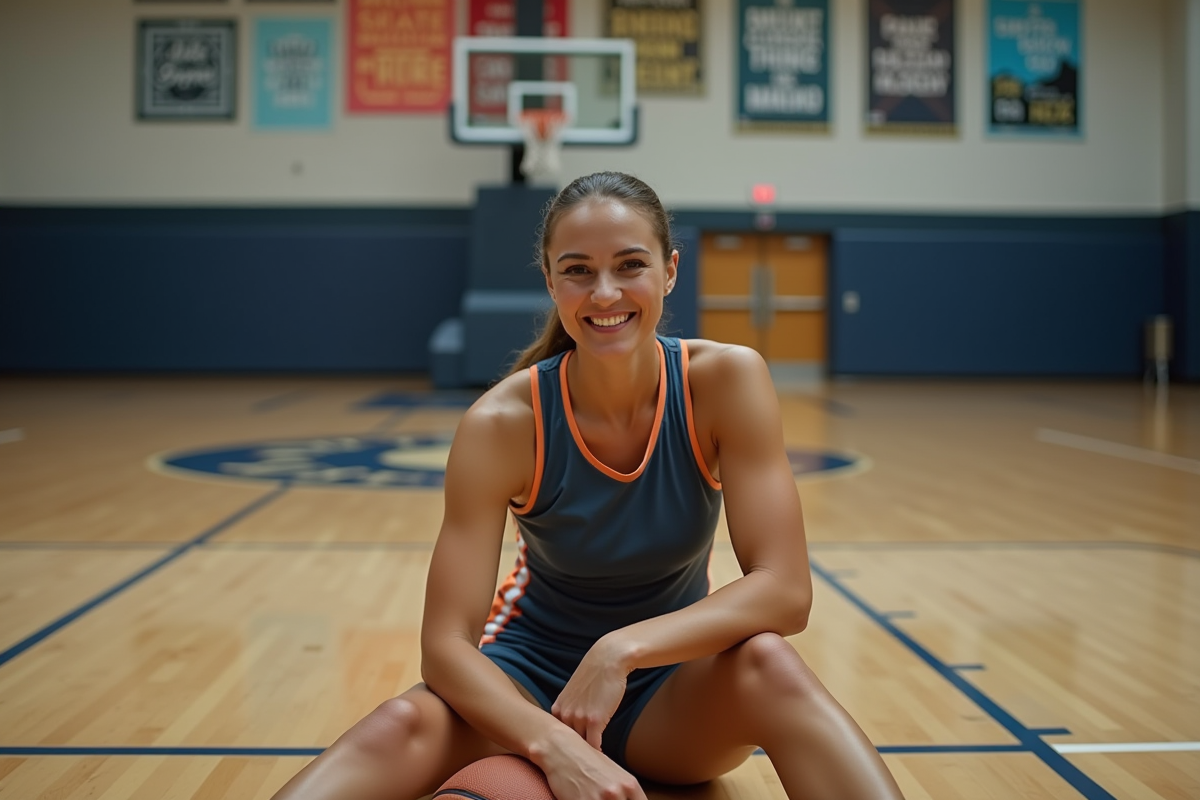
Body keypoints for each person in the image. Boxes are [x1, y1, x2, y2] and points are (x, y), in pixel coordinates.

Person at [271, 172, 904, 800]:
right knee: (400, 724)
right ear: (550, 281)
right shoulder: (502, 424)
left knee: (769, 663)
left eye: (631, 264)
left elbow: (786, 591)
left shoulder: (725, 382)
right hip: (529, 685)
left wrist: (619, 652)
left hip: (672, 690)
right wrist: (553, 746)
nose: (605, 293)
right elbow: (444, 645)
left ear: (670, 270)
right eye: (577, 270)